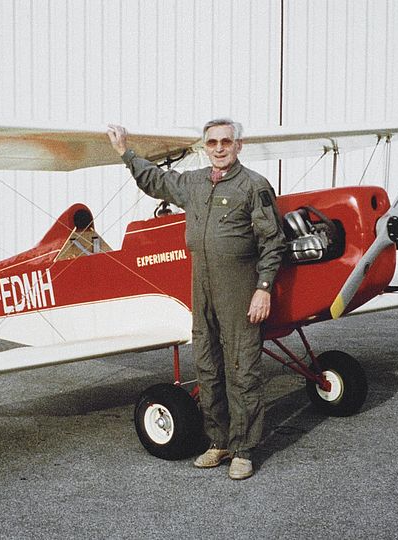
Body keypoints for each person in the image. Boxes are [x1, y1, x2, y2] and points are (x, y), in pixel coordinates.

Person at [107, 119, 285, 480]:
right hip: (201, 283)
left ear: (239, 145)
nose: (219, 148)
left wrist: (263, 288)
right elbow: (156, 182)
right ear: (205, 147)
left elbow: (273, 242)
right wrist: (126, 152)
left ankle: (244, 450)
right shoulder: (193, 182)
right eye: (212, 143)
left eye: (226, 141)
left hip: (239, 285)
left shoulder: (254, 186)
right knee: (206, 364)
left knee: (243, 369)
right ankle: (218, 441)